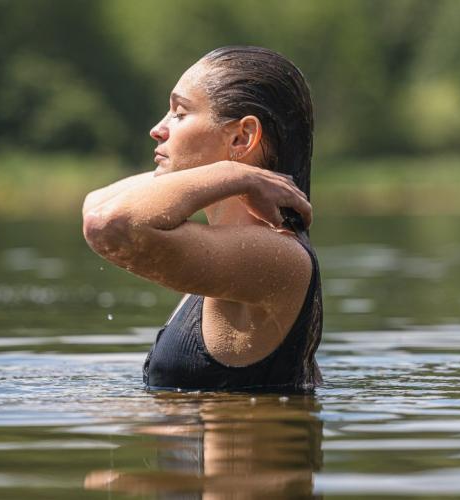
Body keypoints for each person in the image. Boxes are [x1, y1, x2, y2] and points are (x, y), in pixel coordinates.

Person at [82, 46, 322, 392]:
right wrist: (240, 176)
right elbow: (97, 205)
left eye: (179, 114)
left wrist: (233, 173)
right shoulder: (230, 249)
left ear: (242, 137)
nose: (157, 129)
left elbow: (108, 225)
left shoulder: (278, 257)